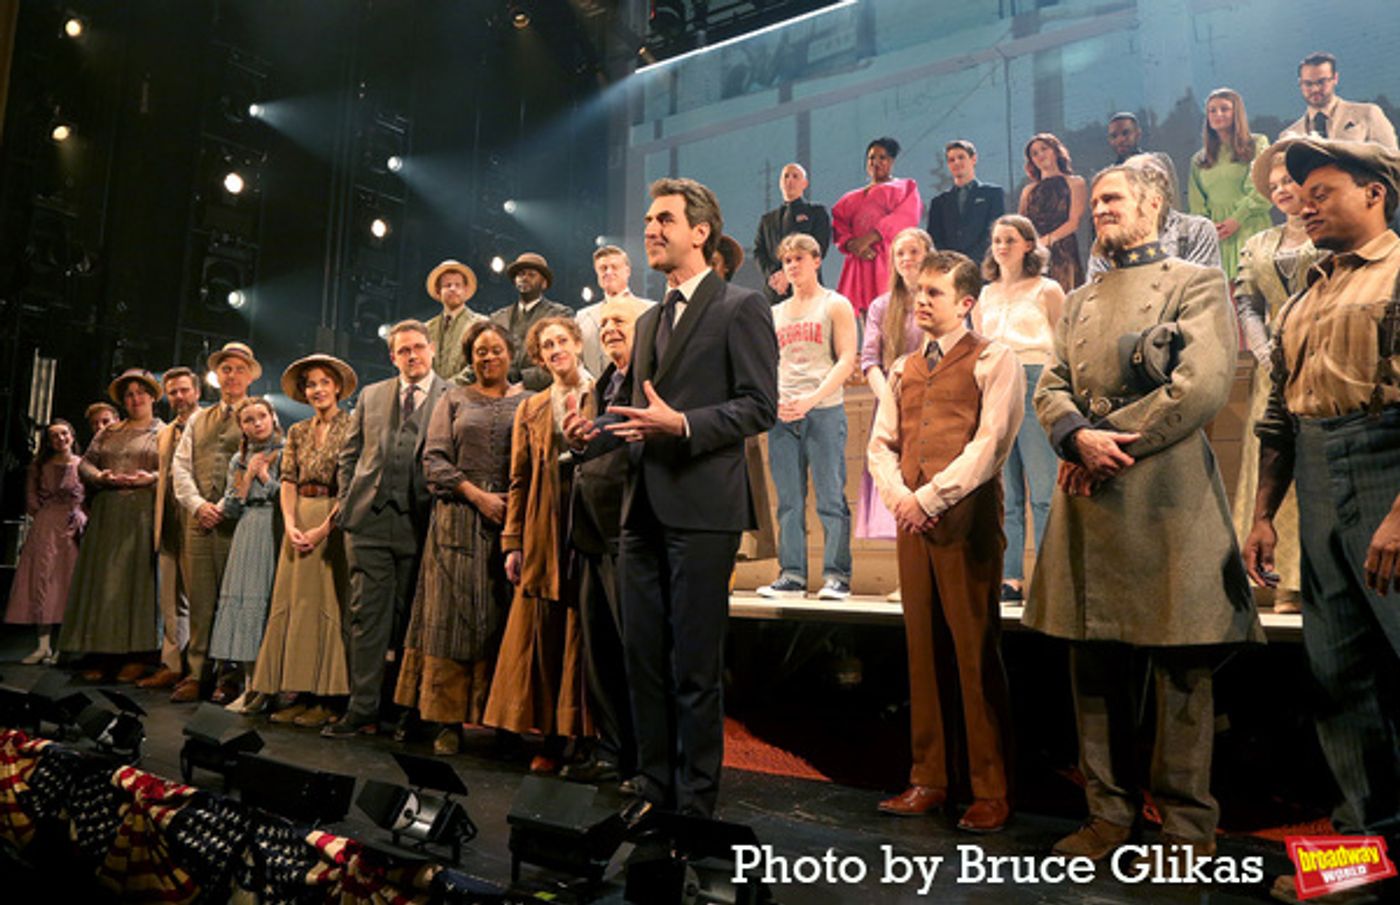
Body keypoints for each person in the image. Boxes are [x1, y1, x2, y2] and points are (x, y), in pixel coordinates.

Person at [1025, 163, 1263, 862]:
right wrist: (1074, 435)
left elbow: (1203, 384)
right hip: (1089, 497)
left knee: (1180, 671)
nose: (1100, 209)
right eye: (1094, 200)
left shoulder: (1196, 284)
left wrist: (1109, 440)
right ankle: (1107, 816)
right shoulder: (1078, 300)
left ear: (1154, 206)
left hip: (1165, 499)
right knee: (1091, 665)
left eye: (1113, 198)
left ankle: (1189, 828)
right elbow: (1052, 382)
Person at [564, 177, 778, 818]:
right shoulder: (650, 319)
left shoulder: (742, 307)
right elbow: (636, 414)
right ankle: (653, 788)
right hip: (639, 512)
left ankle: (694, 800)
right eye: (649, 219)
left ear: (700, 232)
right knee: (643, 661)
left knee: (693, 665)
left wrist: (683, 425)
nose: (650, 229)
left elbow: (758, 407)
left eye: (663, 219)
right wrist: (589, 433)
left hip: (703, 511)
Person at [1241, 138, 1400, 905]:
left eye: (1322, 190)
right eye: (1298, 192)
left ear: (1374, 192)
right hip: (1315, 468)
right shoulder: (1304, 293)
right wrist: (1265, 513)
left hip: (1388, 470)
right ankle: (1365, 857)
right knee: (1339, 674)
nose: (1303, 202)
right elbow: (1275, 414)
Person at [867, 250, 1022, 832]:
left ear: (965, 302)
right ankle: (929, 777)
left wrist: (930, 498)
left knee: (974, 650)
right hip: (914, 522)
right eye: (918, 292)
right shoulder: (904, 366)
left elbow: (991, 443)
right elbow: (880, 444)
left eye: (934, 292)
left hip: (965, 520)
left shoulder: (993, 357)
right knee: (922, 651)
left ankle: (991, 788)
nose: (922, 301)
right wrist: (902, 498)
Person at [396, 322, 526, 755]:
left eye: (495, 350)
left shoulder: (529, 402)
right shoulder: (453, 399)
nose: (488, 358)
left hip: (512, 524)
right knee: (450, 623)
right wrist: (476, 496)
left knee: (506, 624)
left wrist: (512, 505)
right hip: (456, 520)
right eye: (479, 352)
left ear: (510, 353)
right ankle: (447, 721)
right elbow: (433, 460)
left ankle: (504, 720)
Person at [328, 321, 450, 738]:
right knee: (366, 618)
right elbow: (349, 454)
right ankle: (362, 709)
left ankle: (404, 712)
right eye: (404, 350)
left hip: (423, 523)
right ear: (392, 356)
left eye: (418, 348)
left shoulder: (451, 395)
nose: (412, 356)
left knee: (412, 621)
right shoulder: (372, 395)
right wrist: (347, 504)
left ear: (432, 350)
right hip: (370, 520)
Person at [485, 317, 592, 774]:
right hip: (544, 524)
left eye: (561, 341)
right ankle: (549, 733)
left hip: (591, 523)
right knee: (546, 632)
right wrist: (513, 542)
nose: (554, 350)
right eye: (546, 345)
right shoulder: (531, 409)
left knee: (586, 633)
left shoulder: (603, 393)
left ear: (577, 343)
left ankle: (587, 738)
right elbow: (519, 477)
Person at [1230, 142, 1323, 617]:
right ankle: (1277, 581)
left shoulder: (1325, 234)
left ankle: (1315, 580)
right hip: (1272, 375)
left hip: (1323, 364)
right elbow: (1247, 301)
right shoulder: (1258, 244)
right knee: (1270, 469)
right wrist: (1264, 351)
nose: (1282, 189)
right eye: (1274, 185)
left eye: (1288, 180)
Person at [561, 299, 648, 783]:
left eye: (622, 322)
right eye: (606, 323)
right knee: (600, 653)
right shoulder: (600, 385)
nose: (611, 329)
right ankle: (611, 752)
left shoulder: (648, 380)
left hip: (628, 529)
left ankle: (643, 759)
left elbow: (623, 435)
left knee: (634, 649)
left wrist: (587, 433)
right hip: (592, 532)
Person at [247, 355, 357, 723]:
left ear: (338, 387)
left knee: (326, 604)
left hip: (333, 521)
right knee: (295, 606)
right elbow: (289, 482)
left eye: (325, 382)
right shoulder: (297, 432)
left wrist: (324, 529)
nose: (318, 389)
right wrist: (292, 523)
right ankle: (297, 689)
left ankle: (327, 701)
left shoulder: (353, 426)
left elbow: (352, 484)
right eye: (311, 384)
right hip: (298, 521)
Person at [757, 232, 857, 600]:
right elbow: (768, 365)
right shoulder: (775, 313)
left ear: (816, 260)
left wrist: (813, 398)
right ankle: (792, 574)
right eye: (787, 261)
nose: (793, 266)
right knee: (788, 500)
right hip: (784, 413)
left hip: (824, 410)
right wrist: (776, 400)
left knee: (830, 496)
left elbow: (847, 360)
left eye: (800, 258)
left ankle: (836, 575)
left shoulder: (835, 305)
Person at [973, 215, 1064, 601]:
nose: (1002, 246)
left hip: (1033, 382)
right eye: (996, 239)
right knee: (1006, 494)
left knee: (1043, 491)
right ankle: (1011, 577)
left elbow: (1063, 346)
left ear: (1028, 244)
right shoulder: (986, 294)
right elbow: (979, 344)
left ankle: (1049, 576)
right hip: (995, 385)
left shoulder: (1048, 289)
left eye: (1010, 239)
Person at [58, 369, 164, 679]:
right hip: (108, 512)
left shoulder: (165, 432)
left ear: (153, 396)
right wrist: (101, 477)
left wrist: (152, 478)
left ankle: (137, 654)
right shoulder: (109, 432)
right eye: (129, 394)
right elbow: (86, 463)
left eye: (140, 392)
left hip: (141, 512)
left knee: (136, 583)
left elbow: (172, 469)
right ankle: (101, 652)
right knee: (105, 581)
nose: (135, 398)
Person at [170, 341, 258, 702]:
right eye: (226, 369)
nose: (232, 375)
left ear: (250, 374)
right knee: (201, 598)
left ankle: (231, 674)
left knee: (234, 598)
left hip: (236, 521)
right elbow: (180, 464)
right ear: (216, 375)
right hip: (199, 519)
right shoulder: (198, 419)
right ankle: (198, 672)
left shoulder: (258, 413)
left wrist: (223, 505)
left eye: (239, 369)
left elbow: (262, 461)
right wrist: (196, 504)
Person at [857, 228, 935, 560]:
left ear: (928, 254)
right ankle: (910, 577)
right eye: (900, 253)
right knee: (899, 484)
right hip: (891, 403)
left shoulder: (940, 298)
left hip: (933, 403)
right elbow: (870, 360)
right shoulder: (880, 306)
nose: (906, 259)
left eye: (913, 252)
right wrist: (890, 399)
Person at [207, 398, 283, 708]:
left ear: (272, 417)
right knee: (243, 602)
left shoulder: (284, 450)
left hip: (273, 527)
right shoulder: (238, 460)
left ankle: (266, 686)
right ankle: (250, 685)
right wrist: (248, 475)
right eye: (249, 420)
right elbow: (233, 504)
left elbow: (287, 496)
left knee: (265, 604)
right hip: (247, 529)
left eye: (262, 416)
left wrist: (264, 475)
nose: (257, 424)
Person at [139, 367, 202, 690]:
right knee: (169, 600)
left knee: (197, 599)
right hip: (169, 521)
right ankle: (171, 663)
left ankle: (197, 669)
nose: (179, 397)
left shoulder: (207, 423)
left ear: (197, 392)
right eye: (173, 391)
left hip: (196, 521)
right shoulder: (164, 432)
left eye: (184, 390)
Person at [4, 420, 85, 665]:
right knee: (42, 580)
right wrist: (43, 514)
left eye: (63, 434)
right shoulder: (39, 466)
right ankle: (42, 645)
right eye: (54, 436)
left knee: (67, 583)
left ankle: (63, 646)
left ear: (71, 436)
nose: (60, 439)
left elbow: (88, 496)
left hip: (73, 527)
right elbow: (30, 498)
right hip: (46, 526)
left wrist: (80, 515)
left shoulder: (83, 465)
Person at [1087, 154, 1221, 278]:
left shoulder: (1196, 230)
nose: (1100, 210)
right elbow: (1095, 295)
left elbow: (1201, 291)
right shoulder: (1109, 239)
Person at [832, 137, 924, 318]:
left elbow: (906, 217)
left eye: (882, 158)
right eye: (871, 158)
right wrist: (853, 245)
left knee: (892, 311)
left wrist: (869, 239)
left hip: (886, 257)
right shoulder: (850, 198)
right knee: (865, 315)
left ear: (891, 161)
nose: (876, 162)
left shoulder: (904, 187)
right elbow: (839, 224)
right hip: (859, 260)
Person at [1188, 88, 1272, 281]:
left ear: (1237, 113)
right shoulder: (1198, 160)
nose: (1218, 114)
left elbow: (1262, 189)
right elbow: (1197, 204)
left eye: (1224, 109)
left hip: (1250, 227)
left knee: (1255, 296)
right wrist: (1209, 230)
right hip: (1217, 238)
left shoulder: (1257, 144)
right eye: (1212, 110)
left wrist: (1237, 219)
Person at [489, 253, 574, 392]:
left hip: (542, 395)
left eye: (531, 274)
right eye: (521, 274)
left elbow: (565, 359)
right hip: (499, 394)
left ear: (544, 283)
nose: (524, 278)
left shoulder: (560, 315)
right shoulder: (497, 318)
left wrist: (524, 381)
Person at [1018, 132, 1087, 293]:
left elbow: (1074, 222)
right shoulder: (1028, 190)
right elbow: (1021, 225)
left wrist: (1046, 241)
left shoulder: (1075, 182)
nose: (1040, 155)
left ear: (1056, 151)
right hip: (1034, 254)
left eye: (1044, 149)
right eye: (1034, 153)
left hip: (1063, 252)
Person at [753, 163, 832, 303]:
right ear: (780, 183)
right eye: (786, 176)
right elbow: (759, 252)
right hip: (776, 291)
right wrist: (775, 275)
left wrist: (787, 274)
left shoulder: (817, 213)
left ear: (805, 183)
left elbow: (819, 248)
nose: (790, 180)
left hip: (808, 290)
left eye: (795, 176)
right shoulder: (767, 220)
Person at [1286, 51, 1397, 149]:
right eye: (1308, 84)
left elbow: (1393, 163)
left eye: (1321, 82)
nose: (1315, 89)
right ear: (1300, 83)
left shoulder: (1368, 114)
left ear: (1335, 78)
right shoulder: (1288, 137)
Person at [577, 246, 654, 377]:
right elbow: (577, 360)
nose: (608, 272)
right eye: (603, 268)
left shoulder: (650, 310)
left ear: (627, 271)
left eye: (614, 267)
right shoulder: (582, 317)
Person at [926, 140, 1005, 265]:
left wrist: (971, 261)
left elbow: (994, 231)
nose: (956, 162)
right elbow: (935, 238)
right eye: (951, 160)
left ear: (973, 159)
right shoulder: (939, 202)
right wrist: (951, 262)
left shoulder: (993, 194)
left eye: (961, 157)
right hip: (950, 270)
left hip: (983, 266)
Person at [423, 259, 485, 384]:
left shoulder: (480, 324)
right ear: (438, 291)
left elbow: (480, 362)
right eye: (447, 285)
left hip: (468, 397)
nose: (453, 289)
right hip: (432, 398)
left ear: (466, 290)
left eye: (458, 285)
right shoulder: (427, 328)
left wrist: (448, 387)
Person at [1105, 113, 1179, 202]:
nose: (1120, 140)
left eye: (1125, 133)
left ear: (1138, 134)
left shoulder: (1159, 162)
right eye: (1114, 136)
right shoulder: (1109, 176)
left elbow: (1173, 202)